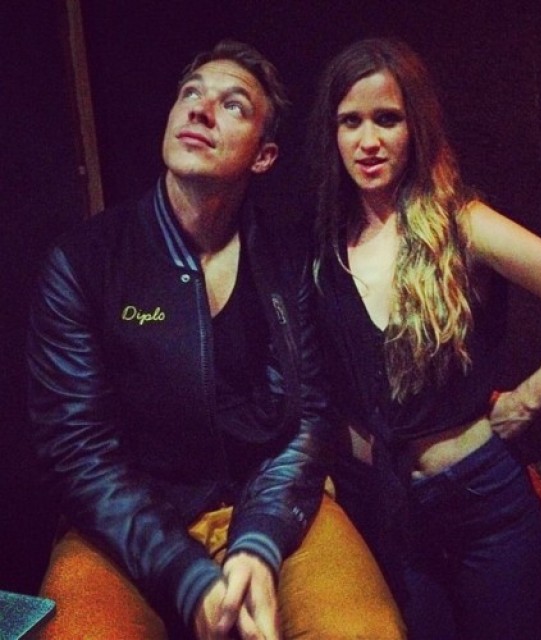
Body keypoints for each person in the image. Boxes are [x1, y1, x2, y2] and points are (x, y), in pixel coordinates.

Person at [27, 39, 406, 640]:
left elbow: (310, 417)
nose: (200, 110)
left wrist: (259, 541)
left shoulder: (286, 261)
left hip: (268, 501)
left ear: (264, 155)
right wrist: (185, 575)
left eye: (233, 105)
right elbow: (78, 450)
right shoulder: (85, 261)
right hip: (125, 520)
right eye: (191, 94)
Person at [308, 37, 541, 640]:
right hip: (384, 510)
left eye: (387, 119)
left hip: (480, 506)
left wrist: (528, 400)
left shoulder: (463, 223)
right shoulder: (328, 242)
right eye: (350, 121)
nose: (368, 140)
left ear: (417, 126)